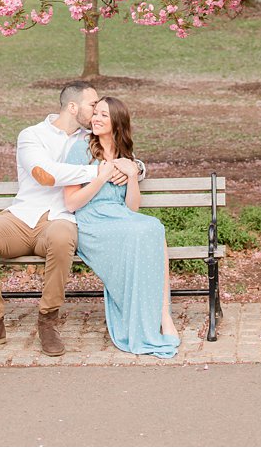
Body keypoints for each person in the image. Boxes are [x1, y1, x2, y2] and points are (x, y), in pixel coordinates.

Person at [0, 80, 125, 356]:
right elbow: (44, 174)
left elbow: (122, 152)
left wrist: (135, 168)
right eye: (92, 105)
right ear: (73, 107)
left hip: (60, 218)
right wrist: (98, 173)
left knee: (62, 238)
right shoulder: (31, 135)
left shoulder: (90, 139)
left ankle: (48, 321)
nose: (97, 111)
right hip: (22, 216)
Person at [62, 96, 179, 358]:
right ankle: (149, 319)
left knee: (153, 227)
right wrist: (101, 177)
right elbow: (71, 203)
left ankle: (162, 315)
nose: (97, 119)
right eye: (96, 113)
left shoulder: (127, 156)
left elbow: (133, 208)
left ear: (117, 122)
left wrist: (133, 175)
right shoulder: (80, 150)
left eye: (104, 115)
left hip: (120, 218)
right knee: (144, 230)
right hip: (91, 222)